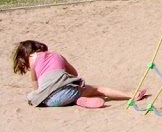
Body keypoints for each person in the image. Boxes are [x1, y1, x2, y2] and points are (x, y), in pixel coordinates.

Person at [12, 40, 144, 109]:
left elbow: (35, 84)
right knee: (98, 89)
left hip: (48, 101)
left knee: (32, 95)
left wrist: (38, 93)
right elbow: (74, 73)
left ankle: (75, 101)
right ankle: (130, 95)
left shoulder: (32, 58)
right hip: (68, 93)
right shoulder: (57, 55)